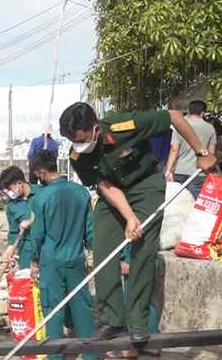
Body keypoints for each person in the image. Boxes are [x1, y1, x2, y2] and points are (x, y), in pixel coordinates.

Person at [59, 102, 216, 345]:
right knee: (102, 247)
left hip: (146, 185)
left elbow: (173, 116)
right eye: (74, 141)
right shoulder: (77, 155)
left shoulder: (123, 126)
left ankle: (138, 321)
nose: (79, 146)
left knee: (142, 248)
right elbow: (103, 185)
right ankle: (113, 319)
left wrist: (200, 154)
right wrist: (129, 216)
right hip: (113, 192)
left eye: (82, 140)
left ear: (96, 128)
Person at [27, 150, 99, 360]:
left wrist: (33, 260)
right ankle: (91, 355)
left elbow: (37, 233)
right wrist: (91, 250)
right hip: (76, 257)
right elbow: (90, 229)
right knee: (82, 306)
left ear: (41, 171)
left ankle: (56, 358)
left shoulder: (42, 197)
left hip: (52, 260)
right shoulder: (81, 192)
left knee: (53, 306)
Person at [164, 100, 217, 199]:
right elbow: (211, 152)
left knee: (178, 202)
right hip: (199, 173)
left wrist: (168, 170)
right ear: (203, 113)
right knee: (196, 204)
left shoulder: (180, 126)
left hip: (180, 171)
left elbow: (174, 149)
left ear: (189, 110)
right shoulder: (210, 128)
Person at [116, 244, 160, 359]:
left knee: (131, 298)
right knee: (145, 297)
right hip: (148, 255)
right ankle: (152, 342)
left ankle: (133, 345)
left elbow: (133, 234)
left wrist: (127, 258)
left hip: (134, 256)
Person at [0, 166, 39, 270]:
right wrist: (9, 251)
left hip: (44, 250)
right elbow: (13, 233)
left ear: (19, 183)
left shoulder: (42, 193)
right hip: (26, 253)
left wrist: (31, 221)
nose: (9, 193)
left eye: (9, 189)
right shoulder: (12, 206)